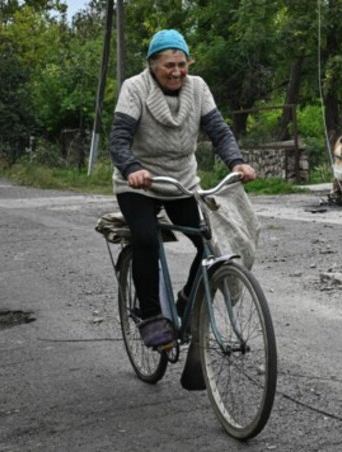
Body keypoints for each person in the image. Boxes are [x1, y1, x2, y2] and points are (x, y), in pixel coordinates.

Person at [109, 29, 256, 347]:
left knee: (211, 243)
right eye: (168, 66)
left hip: (180, 182)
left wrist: (236, 162)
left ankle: (186, 300)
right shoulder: (134, 88)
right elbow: (119, 140)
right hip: (139, 184)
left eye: (182, 64)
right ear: (152, 65)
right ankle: (151, 317)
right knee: (147, 239)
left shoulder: (198, 88)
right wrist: (133, 169)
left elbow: (218, 130)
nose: (176, 72)